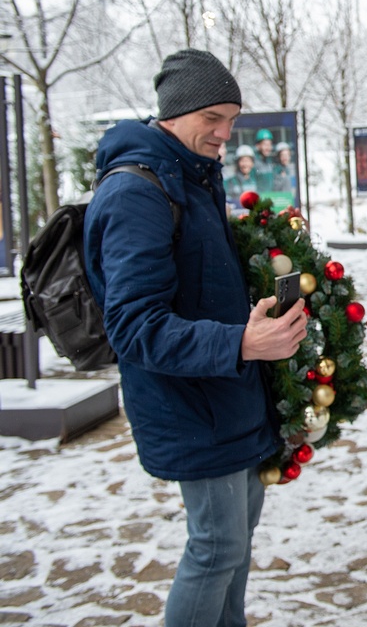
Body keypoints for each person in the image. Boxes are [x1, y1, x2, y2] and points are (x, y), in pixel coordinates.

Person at [83, 48, 309, 626]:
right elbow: (134, 326)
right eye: (214, 118)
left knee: (235, 546)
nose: (226, 134)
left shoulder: (192, 176)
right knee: (215, 549)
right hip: (189, 406)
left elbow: (200, 284)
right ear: (175, 112)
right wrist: (241, 344)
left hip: (229, 398)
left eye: (233, 119)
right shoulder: (135, 192)